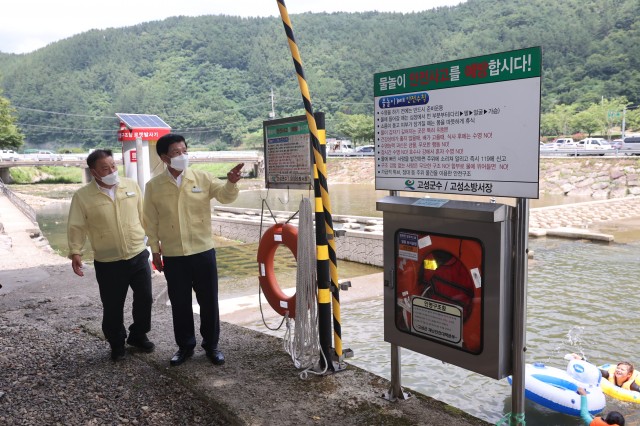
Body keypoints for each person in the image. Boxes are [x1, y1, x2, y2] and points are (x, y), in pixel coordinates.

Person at [143, 133, 243, 367]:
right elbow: (150, 220)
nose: (182, 156)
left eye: (185, 151)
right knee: (180, 303)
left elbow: (225, 196)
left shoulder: (203, 178)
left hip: (203, 251)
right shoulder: (154, 186)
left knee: (209, 301)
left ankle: (211, 345)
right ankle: (185, 346)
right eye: (176, 152)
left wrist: (231, 182)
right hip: (174, 255)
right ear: (164, 157)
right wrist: (155, 251)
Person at [67, 149, 154, 361]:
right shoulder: (83, 196)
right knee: (113, 304)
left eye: (113, 165)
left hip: (138, 253)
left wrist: (154, 241)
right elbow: (76, 226)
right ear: (94, 172)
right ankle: (116, 343)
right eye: (105, 168)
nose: (111, 170)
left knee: (145, 299)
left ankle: (138, 335)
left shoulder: (131, 186)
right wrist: (75, 251)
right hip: (108, 261)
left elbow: (144, 216)